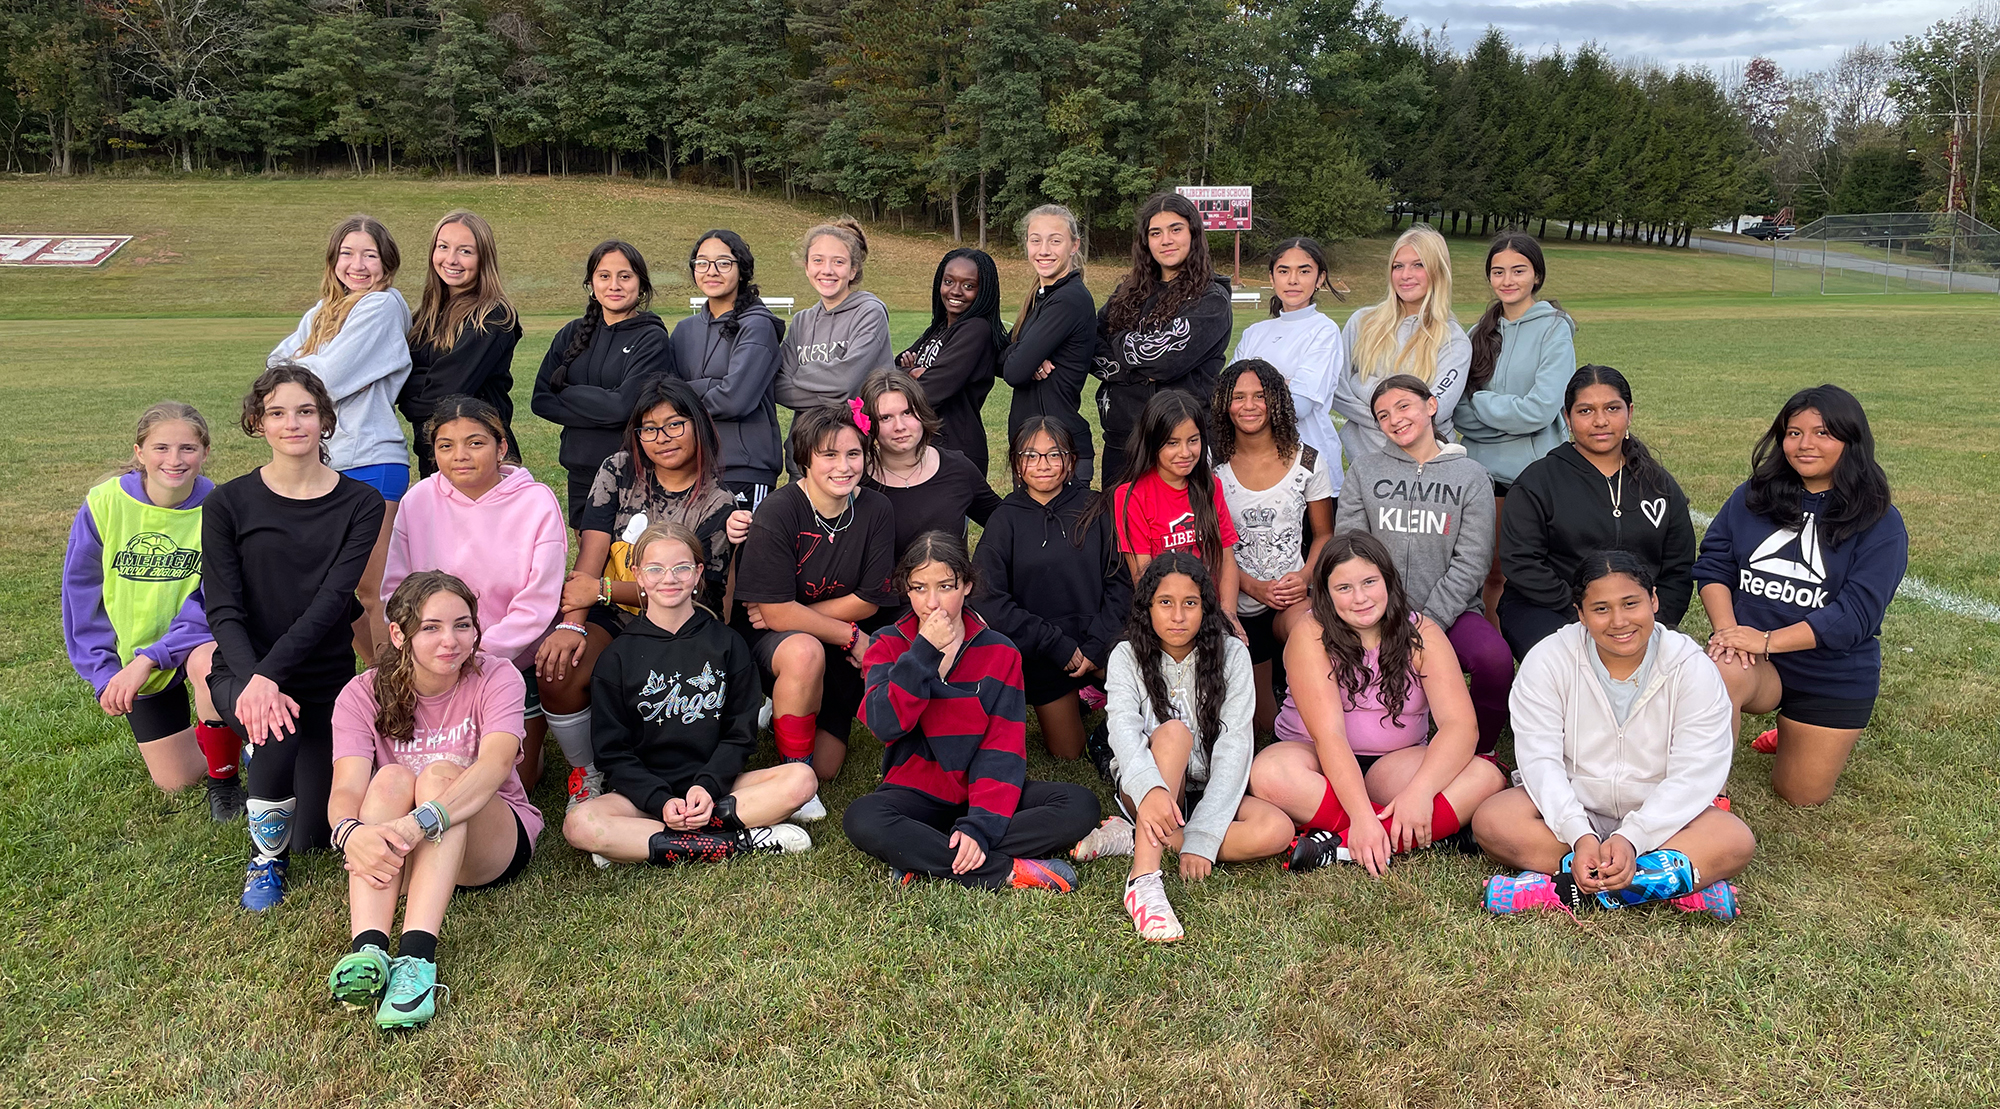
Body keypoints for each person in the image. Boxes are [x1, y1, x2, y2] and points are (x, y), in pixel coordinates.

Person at [1473, 552, 1754, 920]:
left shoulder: (1690, 666)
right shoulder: (1549, 660)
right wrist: (1578, 832)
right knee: (1493, 820)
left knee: (1735, 840)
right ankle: (1666, 885)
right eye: (1601, 609)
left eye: (1631, 603)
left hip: (1660, 815)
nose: (1619, 621)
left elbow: (1697, 771)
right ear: (1581, 613)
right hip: (1574, 807)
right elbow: (1540, 760)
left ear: (1653, 599)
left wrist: (1634, 837)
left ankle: (1559, 888)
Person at [324, 571, 544, 1030]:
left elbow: (494, 768)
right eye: (431, 627)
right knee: (389, 779)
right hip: (405, 855)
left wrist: (419, 822)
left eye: (463, 625)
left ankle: (417, 962)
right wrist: (351, 834)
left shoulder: (497, 675)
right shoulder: (361, 694)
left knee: (443, 776)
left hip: (491, 843)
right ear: (398, 634)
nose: (452, 641)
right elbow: (346, 788)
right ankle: (368, 950)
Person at [204, 364, 384, 911]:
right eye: (277, 413)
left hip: (324, 680)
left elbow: (332, 602)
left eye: (305, 411)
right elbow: (223, 607)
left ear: (325, 420)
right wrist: (253, 678)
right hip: (241, 667)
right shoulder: (229, 503)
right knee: (275, 728)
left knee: (312, 835)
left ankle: (271, 774)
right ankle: (265, 863)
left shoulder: (360, 502)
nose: (292, 424)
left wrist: (269, 676)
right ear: (258, 422)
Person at [538, 378, 749, 811]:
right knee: (559, 668)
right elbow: (593, 552)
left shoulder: (718, 501)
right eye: (649, 429)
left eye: (674, 425)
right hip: (612, 612)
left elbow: (702, 593)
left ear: (699, 425)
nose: (662, 438)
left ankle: (671, 761)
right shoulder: (618, 470)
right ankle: (586, 771)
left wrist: (604, 589)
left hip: (681, 623)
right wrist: (571, 623)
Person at [1694, 384, 1908, 807]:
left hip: (1831, 672)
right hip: (1756, 663)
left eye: (1823, 433)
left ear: (1852, 441)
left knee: (1800, 796)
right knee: (1721, 668)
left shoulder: (1880, 521)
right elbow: (1714, 563)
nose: (1805, 444)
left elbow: (1855, 615)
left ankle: (1792, 732)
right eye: (1794, 433)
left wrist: (1768, 639)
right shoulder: (1753, 495)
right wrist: (1730, 632)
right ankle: (1705, 799)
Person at [848, 532, 1100, 889]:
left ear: (966, 585)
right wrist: (922, 653)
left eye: (946, 587)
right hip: (914, 792)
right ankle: (1004, 871)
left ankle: (922, 857)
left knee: (1079, 805)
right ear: (906, 589)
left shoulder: (1001, 651)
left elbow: (1002, 746)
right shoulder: (888, 643)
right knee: (863, 817)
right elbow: (885, 724)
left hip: (983, 792)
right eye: (919, 588)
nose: (932, 603)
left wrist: (980, 826)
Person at [563, 523, 817, 867]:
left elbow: (739, 736)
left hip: (721, 788)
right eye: (655, 569)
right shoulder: (617, 656)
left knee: (802, 780)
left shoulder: (727, 644)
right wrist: (657, 800)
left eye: (681, 568)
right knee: (579, 825)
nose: (669, 579)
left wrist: (708, 787)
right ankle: (736, 842)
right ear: (637, 575)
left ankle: (648, 841)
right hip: (642, 796)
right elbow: (612, 752)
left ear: (698, 573)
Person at [1251, 534, 1505, 874]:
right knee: (1269, 774)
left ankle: (1337, 845)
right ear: (1325, 593)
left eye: (1369, 582)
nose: (1360, 598)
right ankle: (1418, 832)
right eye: (1343, 588)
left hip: (1393, 764)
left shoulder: (1423, 633)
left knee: (1485, 776)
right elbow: (1330, 736)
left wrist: (1420, 792)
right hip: (1315, 758)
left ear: (1388, 580)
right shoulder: (1310, 633)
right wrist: (1359, 815)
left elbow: (1461, 727)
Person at [1075, 554, 1294, 942]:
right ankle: (1143, 880)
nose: (1177, 616)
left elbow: (1234, 745)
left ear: (1205, 608)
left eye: (1189, 603)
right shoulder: (1127, 655)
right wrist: (1153, 790)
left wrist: (1204, 837)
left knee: (1276, 830)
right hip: (1146, 786)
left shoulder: (1232, 655)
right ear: (1147, 607)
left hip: (1207, 790)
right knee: (1175, 733)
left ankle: (1135, 836)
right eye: (1165, 603)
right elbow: (1122, 732)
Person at [62, 402, 242, 819]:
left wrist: (151, 658)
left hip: (196, 641)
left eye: (187, 448)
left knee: (207, 664)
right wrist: (104, 671)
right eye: (161, 448)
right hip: (138, 652)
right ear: (140, 452)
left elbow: (213, 598)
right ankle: (233, 741)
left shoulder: (218, 508)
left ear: (206, 452)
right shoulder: (105, 504)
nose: (174, 460)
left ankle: (225, 779)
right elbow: (81, 594)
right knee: (176, 780)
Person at [382, 395, 567, 790]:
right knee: (429, 780)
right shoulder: (418, 501)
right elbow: (396, 589)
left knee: (517, 784)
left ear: (501, 447)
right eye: (446, 446)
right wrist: (431, 649)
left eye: (475, 443)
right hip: (433, 656)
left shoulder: (535, 502)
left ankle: (526, 734)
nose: (460, 456)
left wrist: (476, 653)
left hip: (511, 657)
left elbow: (538, 601)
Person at [733, 403, 897, 809]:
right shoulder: (779, 510)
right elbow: (772, 620)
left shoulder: (876, 509)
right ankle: (794, 772)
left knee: (830, 765)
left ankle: (783, 718)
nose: (843, 466)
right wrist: (851, 635)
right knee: (803, 650)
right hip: (772, 645)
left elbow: (868, 601)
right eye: (829, 455)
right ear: (805, 457)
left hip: (805, 630)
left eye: (853, 454)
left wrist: (791, 612)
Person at [1337, 375, 1511, 753]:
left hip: (1450, 611)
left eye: (1403, 406)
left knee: (1494, 659)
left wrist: (1426, 623)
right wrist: (1387, 614)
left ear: (1431, 406)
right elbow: (1350, 550)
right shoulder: (1364, 471)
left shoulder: (1472, 476)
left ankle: (1480, 751)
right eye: (1383, 415)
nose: (1395, 419)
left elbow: (1473, 560)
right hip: (1375, 611)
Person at [267, 214, 412, 664]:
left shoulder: (382, 305)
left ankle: (404, 695)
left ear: (387, 263)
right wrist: (295, 374)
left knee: (374, 590)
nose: (358, 265)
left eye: (370, 255)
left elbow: (324, 379)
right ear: (333, 260)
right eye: (348, 253)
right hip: (325, 464)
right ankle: (379, 682)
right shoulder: (325, 309)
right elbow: (273, 365)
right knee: (338, 593)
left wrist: (299, 370)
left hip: (371, 459)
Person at [1497, 366, 1696, 661]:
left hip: (1635, 615)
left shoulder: (1658, 483)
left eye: (1612, 408)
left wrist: (1651, 616)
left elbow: (1678, 567)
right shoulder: (1538, 481)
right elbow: (1522, 563)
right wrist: (1586, 610)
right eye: (1586, 411)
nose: (1600, 421)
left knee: (1675, 666)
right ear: (1567, 417)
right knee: (1572, 667)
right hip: (1548, 609)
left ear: (1629, 412)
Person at [971, 418, 1131, 761]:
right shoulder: (1005, 519)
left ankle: (1097, 691)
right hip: (1044, 653)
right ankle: (1078, 697)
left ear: (1071, 460)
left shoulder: (1096, 507)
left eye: (1054, 455)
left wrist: (1095, 646)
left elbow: (1120, 582)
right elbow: (988, 599)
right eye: (1031, 455)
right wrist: (1054, 644)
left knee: (1142, 707)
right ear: (1016, 462)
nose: (1043, 465)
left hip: (1099, 643)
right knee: (1068, 754)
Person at [1451, 232, 1578, 623]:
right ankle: (1499, 662)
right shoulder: (1478, 332)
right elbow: (1459, 412)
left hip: (1533, 475)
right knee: (1489, 572)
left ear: (1536, 276)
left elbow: (1542, 409)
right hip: (1481, 475)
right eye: (1498, 272)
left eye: (1518, 271)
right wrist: (1508, 422)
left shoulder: (1555, 328)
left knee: (1533, 574)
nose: (1508, 280)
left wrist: (1486, 406)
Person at [1211, 359, 1335, 731]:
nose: (1249, 406)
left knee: (1311, 631)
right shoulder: (1211, 465)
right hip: (1237, 598)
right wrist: (1251, 586)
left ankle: (1320, 710)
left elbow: (1325, 534)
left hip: (1290, 598)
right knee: (1264, 724)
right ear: (1224, 405)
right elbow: (1211, 543)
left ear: (1276, 400)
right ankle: (1271, 694)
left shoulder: (1308, 460)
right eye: (1238, 397)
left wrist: (1305, 576)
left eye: (1260, 396)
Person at [531, 240, 676, 525]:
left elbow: (624, 408)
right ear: (591, 284)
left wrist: (568, 392)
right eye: (604, 276)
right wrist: (605, 403)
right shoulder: (572, 333)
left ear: (641, 284)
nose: (615, 285)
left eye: (625, 276)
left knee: (628, 564)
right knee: (588, 566)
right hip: (581, 471)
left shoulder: (651, 338)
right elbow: (540, 400)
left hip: (633, 474)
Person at [1093, 192, 1233, 482]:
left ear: (1194, 234)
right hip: (1122, 442)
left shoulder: (1210, 299)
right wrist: (1137, 369)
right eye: (1156, 233)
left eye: (1175, 229)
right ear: (1146, 241)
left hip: (1178, 445)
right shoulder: (1127, 293)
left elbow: (1163, 362)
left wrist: (1118, 340)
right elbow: (1090, 345)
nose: (1166, 240)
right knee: (1118, 526)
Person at [1330, 224, 1468, 466]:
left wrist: (1364, 383)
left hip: (1427, 470)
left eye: (1419, 265)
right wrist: (1395, 413)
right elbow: (1337, 389)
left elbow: (1436, 409)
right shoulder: (1362, 322)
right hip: (1365, 464)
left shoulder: (1453, 339)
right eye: (1398, 266)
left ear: (1438, 271)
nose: (1405, 275)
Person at [1105, 391, 1244, 630]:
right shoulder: (1131, 496)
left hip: (1210, 613)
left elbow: (1226, 557)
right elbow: (1143, 575)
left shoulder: (1211, 486)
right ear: (1152, 442)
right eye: (1172, 443)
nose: (1185, 452)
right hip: (1167, 617)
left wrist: (1229, 616)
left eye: (1193, 440)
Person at [401, 210, 523, 477]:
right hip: (436, 452)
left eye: (465, 251)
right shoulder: (424, 317)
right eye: (443, 247)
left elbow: (445, 394)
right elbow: (400, 380)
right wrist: (412, 389)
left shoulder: (492, 317)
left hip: (483, 457)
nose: (451, 259)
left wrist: (411, 396)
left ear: (483, 259)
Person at [672, 229, 786, 511]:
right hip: (691, 466)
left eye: (723, 263)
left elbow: (735, 399)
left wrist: (688, 391)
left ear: (741, 269)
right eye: (702, 263)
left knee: (741, 555)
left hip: (743, 468)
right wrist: (713, 384)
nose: (712, 271)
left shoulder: (757, 325)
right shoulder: (684, 331)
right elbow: (665, 395)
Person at [859, 368, 1002, 568]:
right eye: (885, 418)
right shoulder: (857, 482)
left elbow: (1005, 525)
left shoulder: (958, 469)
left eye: (907, 412)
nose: (899, 426)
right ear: (870, 424)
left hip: (950, 595)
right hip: (883, 598)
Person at [1231, 236, 1345, 483]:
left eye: (1304, 271)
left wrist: (1254, 388)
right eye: (1284, 271)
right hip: (1255, 466)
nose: (1293, 280)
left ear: (1320, 278)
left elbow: (1299, 407)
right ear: (1272, 278)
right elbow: (1230, 398)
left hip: (1309, 464)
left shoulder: (1324, 331)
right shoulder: (1254, 333)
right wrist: (1283, 382)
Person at [1001, 204, 1098, 485]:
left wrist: (1023, 356)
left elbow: (1014, 372)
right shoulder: (1041, 297)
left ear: (1074, 245)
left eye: (1055, 240)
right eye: (1035, 240)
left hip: (1058, 451)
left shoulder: (1069, 299)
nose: (1044, 250)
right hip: (1033, 448)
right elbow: (1001, 358)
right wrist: (1024, 353)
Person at [897, 248, 1007, 474]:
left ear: (983, 291)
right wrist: (909, 373)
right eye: (949, 281)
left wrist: (917, 373)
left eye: (968, 286)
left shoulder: (976, 330)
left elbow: (930, 391)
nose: (955, 291)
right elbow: (894, 367)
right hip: (928, 446)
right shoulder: (938, 329)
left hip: (956, 449)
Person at [775, 218, 892, 425]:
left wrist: (798, 375)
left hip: (855, 447)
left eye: (838, 262)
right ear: (807, 267)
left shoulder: (869, 313)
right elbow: (778, 386)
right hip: (804, 446)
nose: (827, 270)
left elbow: (845, 381)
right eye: (818, 260)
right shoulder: (801, 322)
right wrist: (838, 398)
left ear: (853, 270)